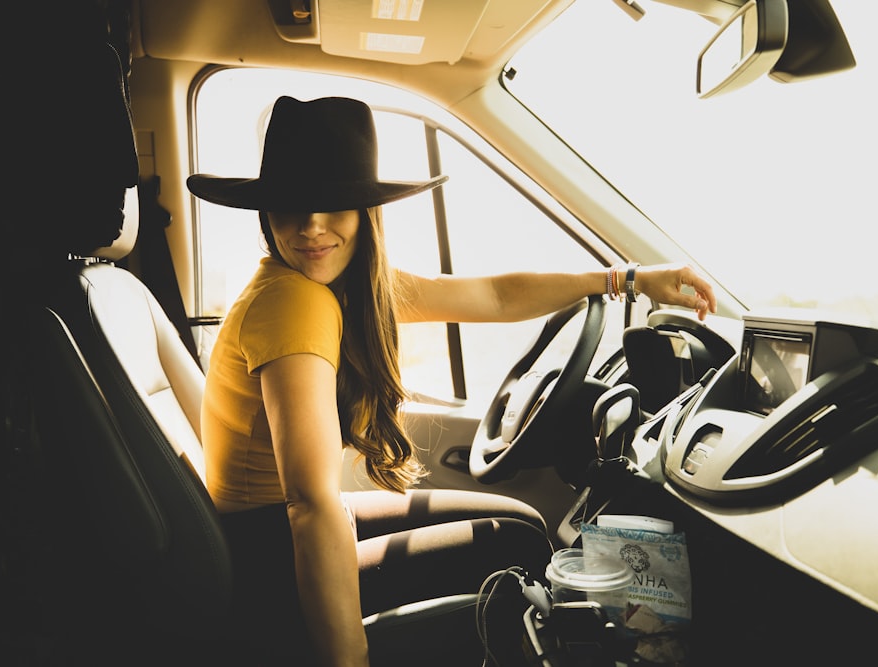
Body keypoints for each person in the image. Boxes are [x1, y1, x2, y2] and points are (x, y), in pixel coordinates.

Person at [187, 95, 716, 666]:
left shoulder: (337, 286)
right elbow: (309, 504)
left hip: (264, 539)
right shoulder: (292, 301)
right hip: (269, 563)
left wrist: (625, 278)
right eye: (291, 205)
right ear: (265, 212)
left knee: (522, 521)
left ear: (365, 212)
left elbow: (493, 295)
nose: (311, 225)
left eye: (332, 203)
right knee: (514, 546)